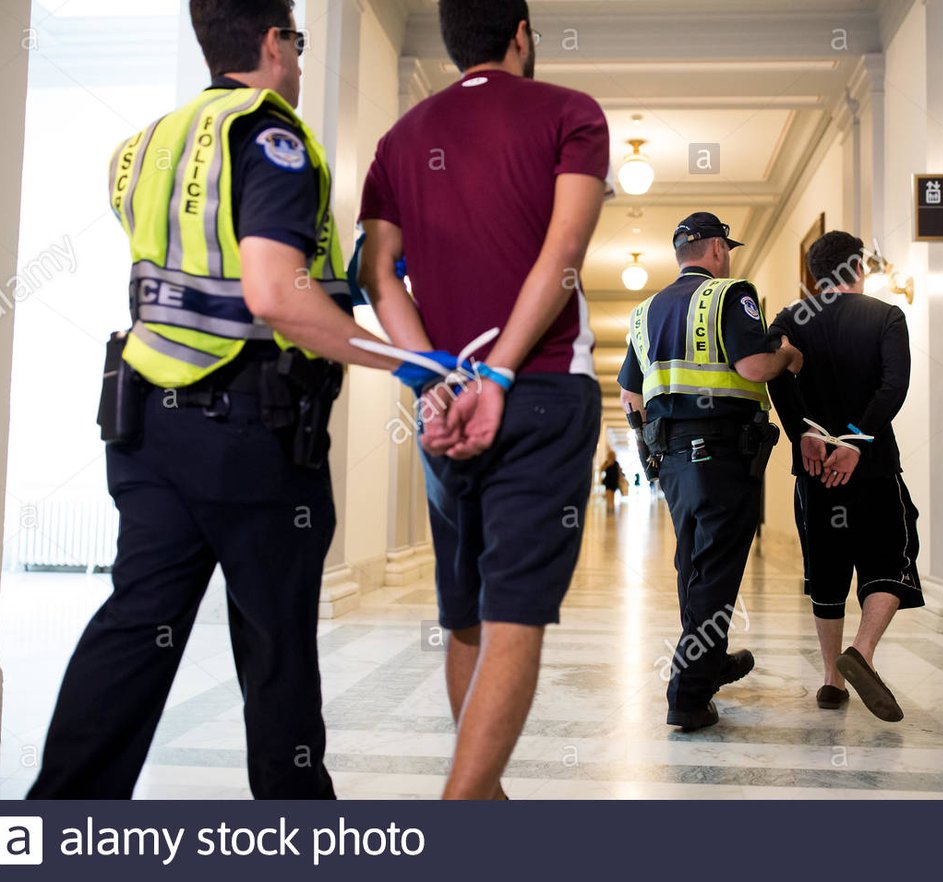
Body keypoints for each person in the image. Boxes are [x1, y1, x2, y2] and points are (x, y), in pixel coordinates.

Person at [27, 0, 440, 799]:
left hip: (145, 422)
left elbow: (190, 272)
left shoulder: (145, 144)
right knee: (277, 638)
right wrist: (407, 363)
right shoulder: (272, 139)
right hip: (251, 433)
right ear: (273, 42)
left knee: (134, 627)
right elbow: (275, 295)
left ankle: (55, 822)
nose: (297, 54)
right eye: (297, 38)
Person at [357, 0, 608, 799]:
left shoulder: (399, 141)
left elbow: (378, 276)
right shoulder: (571, 113)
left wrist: (439, 378)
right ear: (522, 35)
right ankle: (462, 812)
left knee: (462, 607)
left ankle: (483, 804)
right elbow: (564, 251)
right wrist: (498, 374)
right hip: (539, 394)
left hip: (445, 407)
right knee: (514, 612)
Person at [618, 212, 803, 731]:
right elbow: (751, 367)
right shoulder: (730, 294)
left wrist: (649, 445)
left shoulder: (644, 312)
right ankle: (689, 692)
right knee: (715, 570)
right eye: (728, 248)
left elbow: (631, 394)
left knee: (693, 564)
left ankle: (711, 659)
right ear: (718, 249)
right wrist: (784, 355)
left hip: (674, 459)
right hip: (722, 455)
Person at [767, 230, 923, 723]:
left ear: (813, 273)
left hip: (814, 470)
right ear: (859, 267)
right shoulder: (886, 315)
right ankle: (861, 651)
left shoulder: (790, 320)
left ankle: (832, 682)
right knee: (891, 557)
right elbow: (893, 385)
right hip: (873, 465)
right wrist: (856, 440)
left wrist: (803, 434)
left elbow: (776, 376)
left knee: (826, 567)